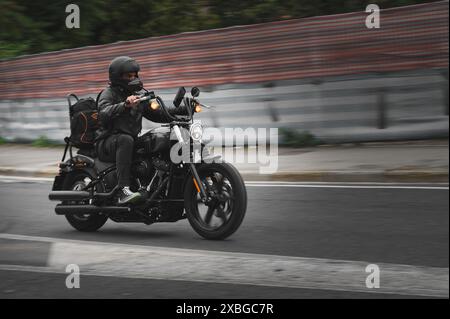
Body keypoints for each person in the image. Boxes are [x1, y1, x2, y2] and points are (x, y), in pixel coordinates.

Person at [96, 56, 167, 205]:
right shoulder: (109, 93)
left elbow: (159, 114)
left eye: (135, 75)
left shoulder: (138, 97)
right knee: (125, 139)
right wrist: (124, 105)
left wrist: (185, 109)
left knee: (157, 140)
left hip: (129, 140)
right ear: (118, 77)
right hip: (107, 141)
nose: (133, 78)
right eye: (129, 76)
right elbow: (102, 114)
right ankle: (122, 190)